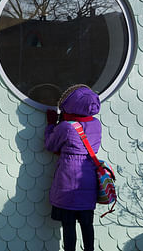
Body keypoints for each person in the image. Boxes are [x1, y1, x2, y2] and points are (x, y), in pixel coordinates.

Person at [44, 84, 102, 251]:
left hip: (68, 175)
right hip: (89, 173)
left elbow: (50, 145)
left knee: (68, 224)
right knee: (86, 223)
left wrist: (50, 125)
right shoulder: (96, 124)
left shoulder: (66, 127)